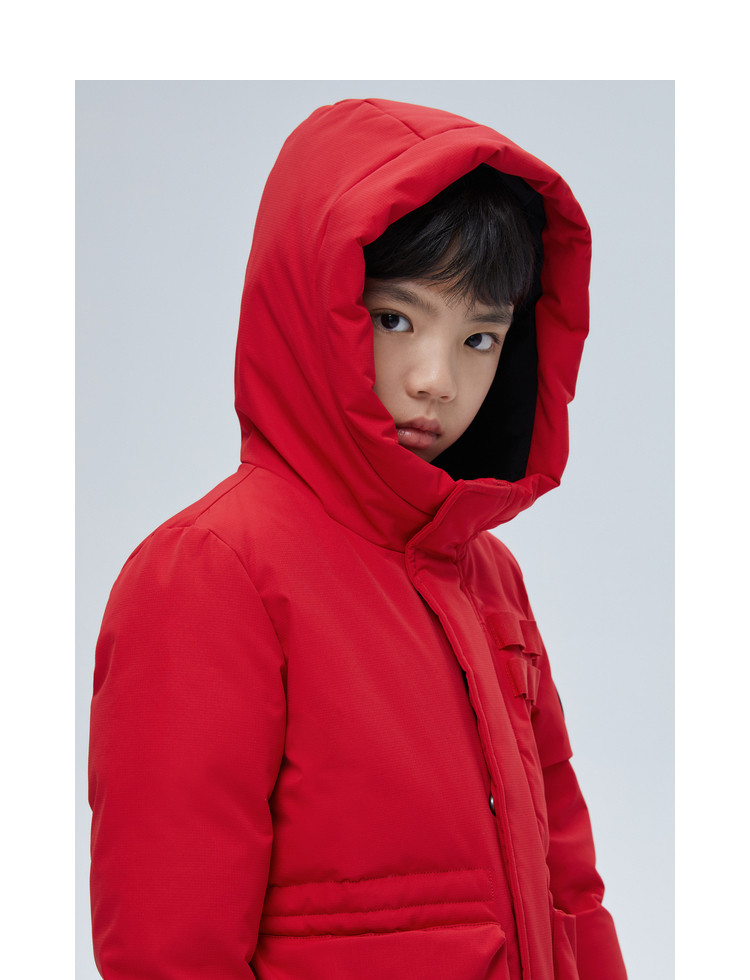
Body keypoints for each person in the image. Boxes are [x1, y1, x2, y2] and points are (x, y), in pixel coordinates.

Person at [88, 98, 628, 979]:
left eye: (479, 337)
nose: (436, 379)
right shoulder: (210, 574)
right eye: (394, 319)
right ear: (312, 303)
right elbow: (169, 949)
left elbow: (567, 879)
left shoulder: (486, 574)